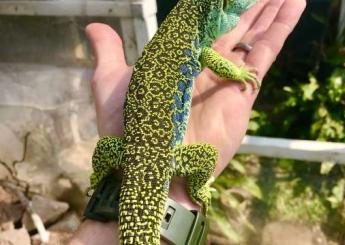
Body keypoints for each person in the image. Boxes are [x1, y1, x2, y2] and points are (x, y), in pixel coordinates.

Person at [69, 0, 306, 244]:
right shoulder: (198, 36)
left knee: (111, 149)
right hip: (162, 159)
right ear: (218, 9)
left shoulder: (178, 21)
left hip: (131, 155)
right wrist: (236, 73)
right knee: (206, 157)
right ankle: (195, 188)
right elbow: (207, 55)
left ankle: (101, 178)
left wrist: (103, 181)